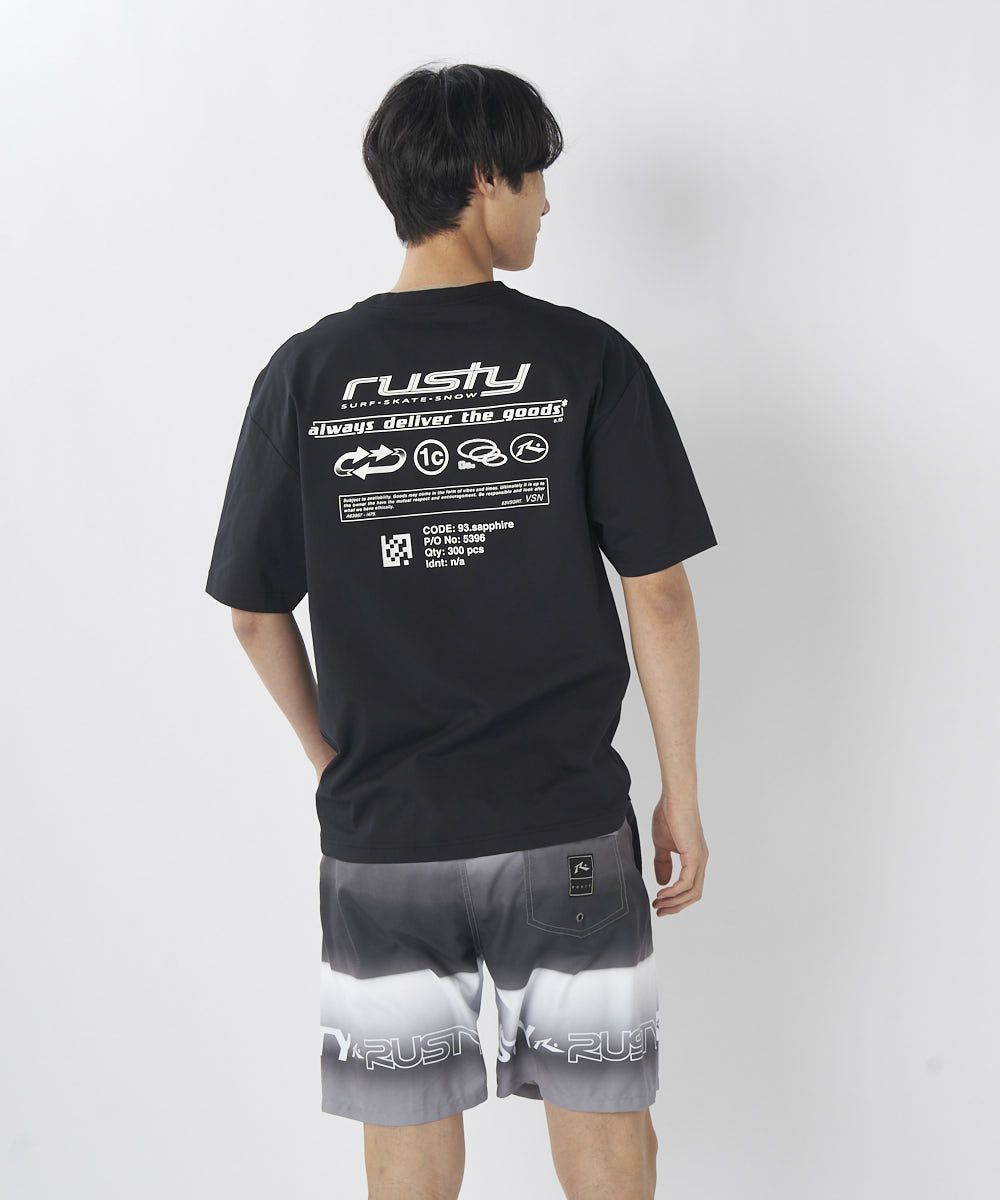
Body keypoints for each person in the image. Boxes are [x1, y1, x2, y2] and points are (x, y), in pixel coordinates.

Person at [205, 60, 717, 1200]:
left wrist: (331, 759)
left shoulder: (306, 374)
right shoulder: (585, 359)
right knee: (607, 1126)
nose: (547, 204)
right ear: (486, 178)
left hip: (385, 834)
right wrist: (677, 790)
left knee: (405, 1137)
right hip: (564, 825)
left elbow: (252, 610)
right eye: (535, 179)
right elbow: (659, 593)